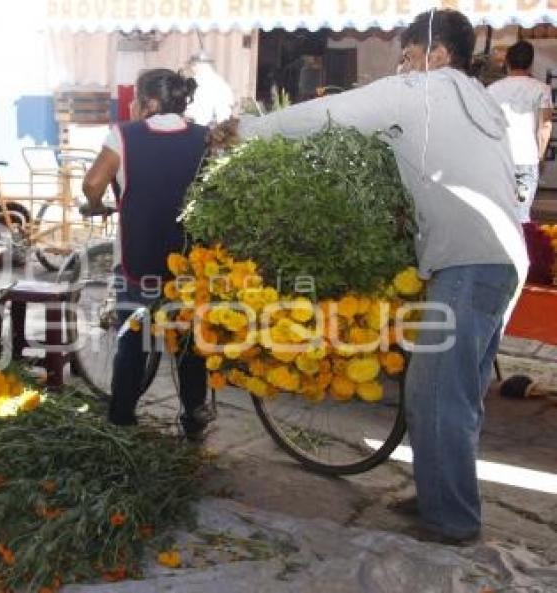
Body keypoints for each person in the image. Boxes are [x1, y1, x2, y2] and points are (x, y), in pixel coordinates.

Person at [223, 9, 527, 543]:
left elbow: (328, 114)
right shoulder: (480, 100)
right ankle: (440, 489)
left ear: (436, 55)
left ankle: (453, 520)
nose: (403, 67)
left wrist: (245, 130)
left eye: (408, 55)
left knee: (436, 395)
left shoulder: (421, 91)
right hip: (502, 260)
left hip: (470, 260)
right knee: (457, 394)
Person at [82, 68, 211, 438]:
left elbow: (93, 183)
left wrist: (94, 204)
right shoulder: (204, 137)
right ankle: (193, 420)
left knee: (133, 338)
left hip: (139, 259)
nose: (133, 105)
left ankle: (122, 417)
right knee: (188, 341)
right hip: (189, 261)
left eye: (137, 98)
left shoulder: (124, 135)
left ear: (150, 102)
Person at [488, 40, 553, 224]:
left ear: (507, 62)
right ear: (531, 63)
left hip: (500, 160)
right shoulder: (542, 89)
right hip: (526, 160)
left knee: (499, 215)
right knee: (522, 218)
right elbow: (545, 126)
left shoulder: (492, 90)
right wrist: (539, 157)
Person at [183, 51, 235, 126]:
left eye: (193, 65)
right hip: (212, 130)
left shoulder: (194, 81)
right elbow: (225, 115)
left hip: (197, 129)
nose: (192, 68)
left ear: (198, 64)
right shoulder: (222, 84)